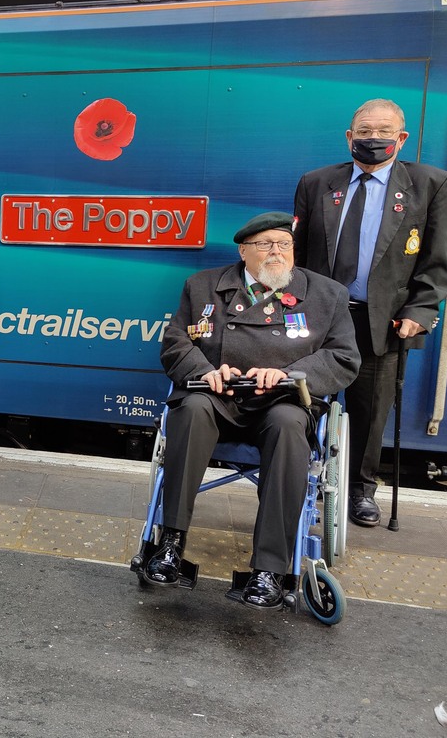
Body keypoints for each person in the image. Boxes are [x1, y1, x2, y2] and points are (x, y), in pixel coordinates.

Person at [152, 212, 359, 609]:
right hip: (218, 399)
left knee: (287, 425)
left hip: (282, 402)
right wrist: (207, 372)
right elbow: (176, 343)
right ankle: (170, 543)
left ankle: (269, 569)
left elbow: (343, 357)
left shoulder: (326, 295)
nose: (276, 252)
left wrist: (289, 374)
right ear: (243, 250)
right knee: (191, 408)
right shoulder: (202, 287)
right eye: (265, 244)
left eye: (284, 244)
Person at [293, 98, 447, 527]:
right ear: (349, 137)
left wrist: (421, 309)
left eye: (384, 132)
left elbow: (438, 260)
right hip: (319, 317)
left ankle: (359, 491)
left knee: (370, 410)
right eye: (364, 131)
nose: (373, 139)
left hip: (381, 319)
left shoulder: (432, 184)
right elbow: (299, 253)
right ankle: (291, 479)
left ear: (401, 138)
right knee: (302, 402)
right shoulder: (316, 182)